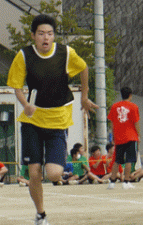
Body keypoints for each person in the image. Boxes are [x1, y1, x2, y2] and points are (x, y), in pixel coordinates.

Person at [6, 14, 98, 224]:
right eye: (41, 34)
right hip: (32, 121)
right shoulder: (24, 56)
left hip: (57, 120)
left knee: (54, 174)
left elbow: (83, 67)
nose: (46, 38)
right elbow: (17, 86)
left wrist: (84, 97)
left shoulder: (65, 53)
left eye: (49, 34)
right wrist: (26, 104)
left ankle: (54, 161)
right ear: (33, 36)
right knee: (34, 172)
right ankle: (41, 214)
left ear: (54, 36)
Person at [107, 87, 140, 190]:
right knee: (129, 160)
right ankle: (126, 182)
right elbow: (136, 122)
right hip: (131, 136)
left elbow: (112, 123)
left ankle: (112, 182)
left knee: (117, 160)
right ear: (130, 95)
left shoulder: (114, 107)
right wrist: (138, 135)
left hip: (118, 137)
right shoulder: (133, 107)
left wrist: (113, 136)